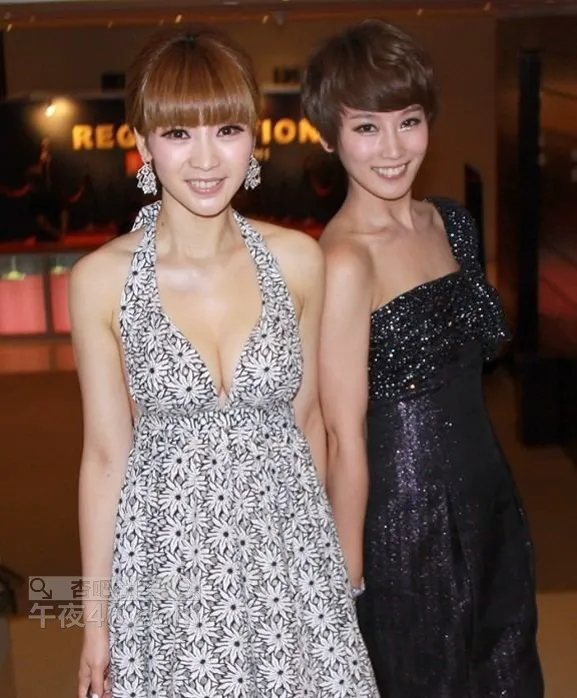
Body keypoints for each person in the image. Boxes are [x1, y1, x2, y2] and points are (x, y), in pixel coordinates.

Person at [70, 27, 378, 698]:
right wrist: (96, 622)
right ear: (143, 142)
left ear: (254, 138)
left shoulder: (298, 260)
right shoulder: (100, 280)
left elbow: (309, 423)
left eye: (228, 130)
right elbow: (104, 457)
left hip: (286, 557)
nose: (206, 159)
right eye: (179, 133)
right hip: (166, 565)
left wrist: (321, 572)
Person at [301, 18, 544, 698]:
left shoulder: (449, 223)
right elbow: (342, 437)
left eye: (407, 121)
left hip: (490, 501)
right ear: (329, 137)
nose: (392, 148)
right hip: (404, 528)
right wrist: (347, 585)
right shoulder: (343, 261)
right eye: (366, 127)